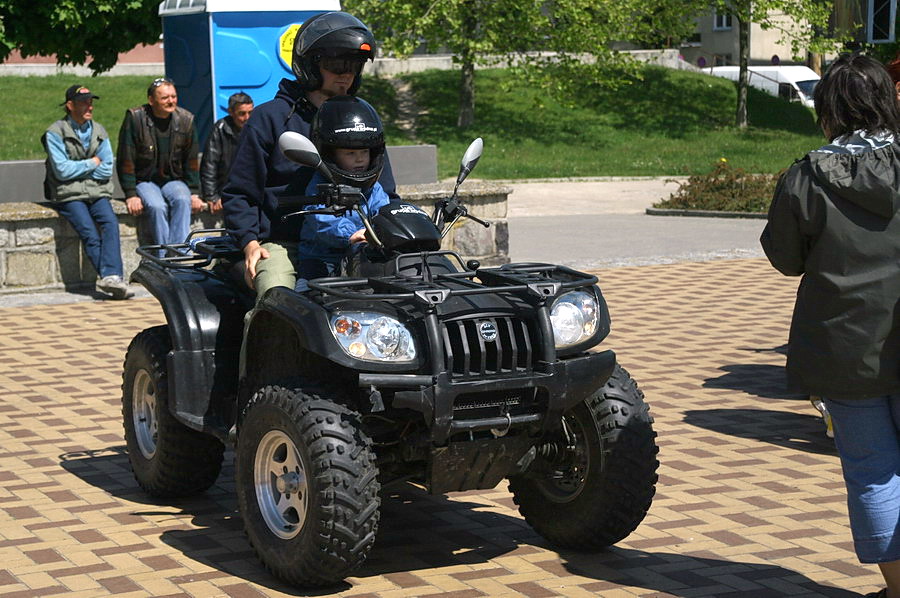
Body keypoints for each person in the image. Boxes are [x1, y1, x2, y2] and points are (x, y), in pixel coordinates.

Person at [760, 53, 900, 598]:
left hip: (844, 349)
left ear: (827, 111)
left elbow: (785, 257)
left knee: (873, 471)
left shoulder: (807, 174)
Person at [222, 11, 398, 299]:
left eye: (354, 64)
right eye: (336, 63)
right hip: (284, 243)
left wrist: (383, 230)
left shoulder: (359, 118)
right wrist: (250, 243)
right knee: (276, 303)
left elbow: (386, 191)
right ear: (310, 65)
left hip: (358, 240)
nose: (346, 73)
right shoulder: (271, 118)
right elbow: (239, 192)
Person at [41, 85, 133, 300]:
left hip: (97, 191)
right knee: (89, 232)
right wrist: (92, 162)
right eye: (83, 102)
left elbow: (107, 167)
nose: (89, 106)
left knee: (110, 223)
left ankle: (112, 278)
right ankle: (111, 276)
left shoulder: (99, 130)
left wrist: (82, 168)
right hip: (68, 194)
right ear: (70, 105)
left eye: (91, 101)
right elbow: (62, 171)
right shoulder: (55, 132)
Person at [295, 95, 391, 290]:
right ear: (331, 154)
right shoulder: (320, 185)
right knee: (305, 298)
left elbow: (384, 211)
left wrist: (389, 228)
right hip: (322, 259)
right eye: (350, 153)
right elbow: (321, 219)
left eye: (364, 152)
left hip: (361, 255)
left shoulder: (373, 187)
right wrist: (351, 234)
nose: (359, 159)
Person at [117, 77, 205, 246]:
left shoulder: (186, 120)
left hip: (173, 179)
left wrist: (194, 191)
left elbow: (191, 160)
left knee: (182, 199)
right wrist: (130, 194)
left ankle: (179, 252)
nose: (171, 101)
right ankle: (163, 256)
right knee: (157, 207)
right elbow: (125, 157)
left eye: (173, 96)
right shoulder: (135, 118)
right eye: (165, 98)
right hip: (145, 180)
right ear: (151, 100)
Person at [200, 92, 253, 214]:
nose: (247, 118)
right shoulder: (220, 129)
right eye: (242, 114)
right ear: (231, 112)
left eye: (250, 113)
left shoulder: (255, 128)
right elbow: (210, 165)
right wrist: (212, 196)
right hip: (226, 189)